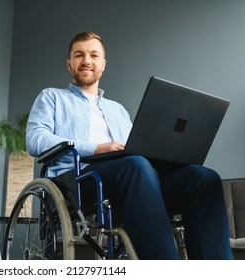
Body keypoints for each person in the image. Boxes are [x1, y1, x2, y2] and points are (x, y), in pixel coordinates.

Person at [25, 31, 233, 260]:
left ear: (103, 65)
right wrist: (96, 148)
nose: (86, 61)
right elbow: (35, 140)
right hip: (77, 179)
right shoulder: (52, 97)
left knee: (202, 178)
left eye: (94, 55)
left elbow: (136, 150)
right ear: (69, 63)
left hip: (132, 176)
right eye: (79, 55)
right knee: (135, 165)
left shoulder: (118, 110)